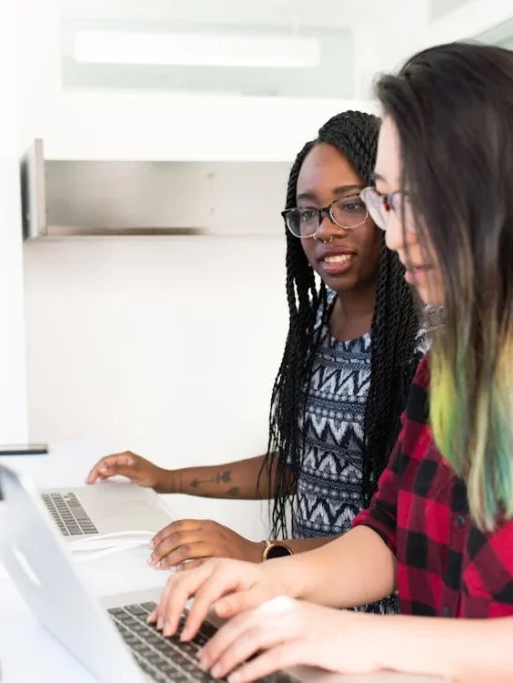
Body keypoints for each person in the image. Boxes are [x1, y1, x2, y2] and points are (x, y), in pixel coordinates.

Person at [149, 43, 513, 683]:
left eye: (408, 199)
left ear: (501, 188)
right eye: (385, 200)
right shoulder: (453, 360)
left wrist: (359, 638)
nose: (393, 230)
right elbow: (385, 531)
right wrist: (268, 581)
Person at [86, 112, 425, 607]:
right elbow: (298, 466)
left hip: (382, 618)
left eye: (349, 206)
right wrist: (168, 479)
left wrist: (258, 554)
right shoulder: (315, 324)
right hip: (302, 598)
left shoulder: (422, 344)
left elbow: (399, 532)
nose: (324, 230)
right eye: (307, 213)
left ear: (386, 206)